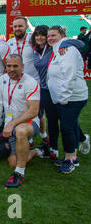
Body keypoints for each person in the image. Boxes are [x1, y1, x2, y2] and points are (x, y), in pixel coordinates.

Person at [31, 25, 85, 160]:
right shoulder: (35, 49)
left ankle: (73, 153)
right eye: (37, 35)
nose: (41, 37)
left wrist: (67, 41)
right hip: (45, 89)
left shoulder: (60, 48)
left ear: (61, 36)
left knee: (66, 122)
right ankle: (54, 148)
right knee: (54, 119)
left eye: (44, 35)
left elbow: (81, 43)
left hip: (61, 92)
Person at [47, 26, 89, 173]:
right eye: (49, 36)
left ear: (62, 35)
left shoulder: (67, 49)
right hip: (64, 97)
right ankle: (81, 142)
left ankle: (71, 159)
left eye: (54, 35)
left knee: (66, 128)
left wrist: (64, 98)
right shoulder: (58, 49)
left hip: (72, 98)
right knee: (71, 124)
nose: (50, 38)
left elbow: (69, 75)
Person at [0, 54, 40, 188]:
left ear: (22, 66)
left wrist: (12, 123)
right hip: (9, 125)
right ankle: (38, 150)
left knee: (21, 131)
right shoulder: (3, 79)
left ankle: (19, 173)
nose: (11, 69)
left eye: (15, 66)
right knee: (12, 161)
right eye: (9, 66)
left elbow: (34, 111)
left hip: (28, 122)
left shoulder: (30, 82)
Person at [7, 17, 39, 81]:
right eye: (15, 26)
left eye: (20, 26)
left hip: (33, 80)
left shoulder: (34, 40)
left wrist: (64, 44)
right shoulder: (9, 43)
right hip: (16, 81)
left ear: (27, 26)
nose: (17, 28)